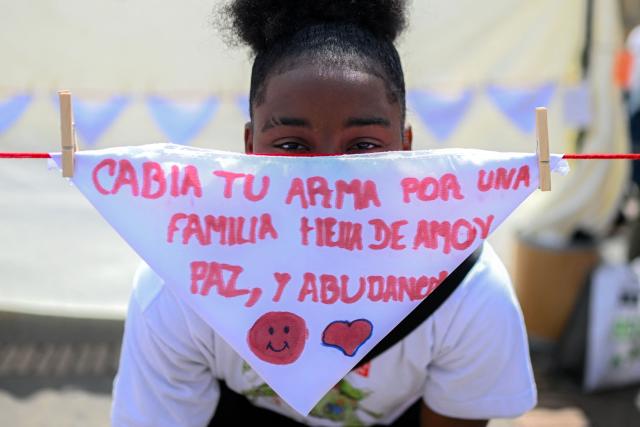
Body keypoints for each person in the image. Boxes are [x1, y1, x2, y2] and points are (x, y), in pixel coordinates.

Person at [111, 1, 537, 426]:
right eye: (293, 145)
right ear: (250, 145)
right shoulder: (181, 284)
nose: (328, 176)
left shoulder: (469, 292)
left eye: (364, 146)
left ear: (406, 148)